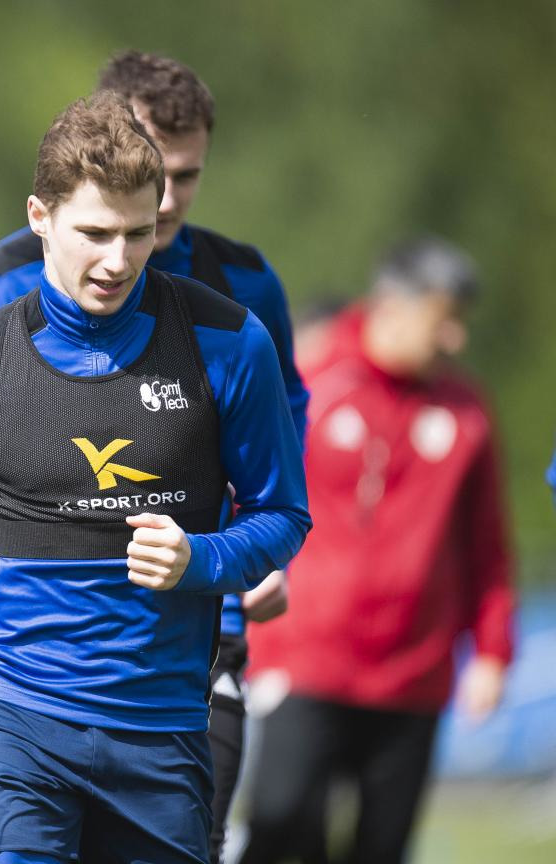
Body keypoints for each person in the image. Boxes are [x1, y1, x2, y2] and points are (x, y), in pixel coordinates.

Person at [0, 91, 310, 864]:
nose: (118, 261)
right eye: (94, 234)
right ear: (40, 217)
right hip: (13, 719)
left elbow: (282, 514)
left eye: (138, 233)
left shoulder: (231, 344)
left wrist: (202, 558)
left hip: (163, 730)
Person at [238, 237, 516, 864]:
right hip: (305, 658)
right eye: (444, 320)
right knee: (281, 828)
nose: (455, 339)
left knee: (382, 849)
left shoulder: (467, 412)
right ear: (394, 307)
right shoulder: (309, 380)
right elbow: (247, 497)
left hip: (414, 673)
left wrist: (493, 649)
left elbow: (486, 542)